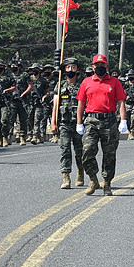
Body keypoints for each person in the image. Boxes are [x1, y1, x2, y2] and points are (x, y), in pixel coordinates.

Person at [75, 54, 128, 196]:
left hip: (109, 120)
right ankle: (93, 179)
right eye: (97, 66)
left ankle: (107, 183)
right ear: (93, 67)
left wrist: (123, 120)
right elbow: (80, 103)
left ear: (107, 67)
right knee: (87, 151)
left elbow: (121, 102)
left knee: (109, 154)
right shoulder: (86, 82)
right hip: (91, 120)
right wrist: (79, 122)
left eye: (102, 65)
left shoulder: (114, 82)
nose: (99, 68)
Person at [52, 57, 85, 189]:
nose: (71, 69)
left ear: (77, 69)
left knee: (80, 151)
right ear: (64, 70)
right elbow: (55, 105)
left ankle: (80, 173)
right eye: (68, 67)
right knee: (65, 149)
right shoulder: (59, 85)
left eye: (73, 67)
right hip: (64, 123)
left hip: (78, 123)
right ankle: (66, 177)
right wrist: (53, 123)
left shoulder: (82, 85)